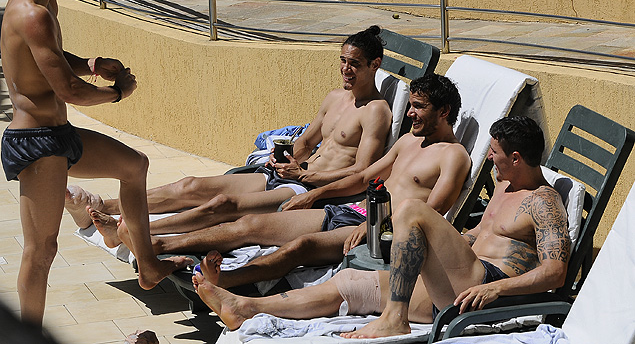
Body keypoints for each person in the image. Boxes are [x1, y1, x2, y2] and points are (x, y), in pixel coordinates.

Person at [190, 116, 571, 339]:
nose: (488, 158)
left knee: (410, 210)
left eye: (495, 153)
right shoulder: (505, 186)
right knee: (350, 283)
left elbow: (556, 271)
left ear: (516, 158)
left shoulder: (543, 202)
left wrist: (497, 288)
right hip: (458, 284)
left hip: (486, 289)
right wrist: (443, 245)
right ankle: (244, 307)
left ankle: (394, 319)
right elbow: (479, 235)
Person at [91, 74, 471, 293]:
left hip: (380, 230)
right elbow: (361, 177)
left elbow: (428, 212)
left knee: (299, 247)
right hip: (351, 210)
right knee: (248, 226)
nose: (412, 113)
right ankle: (156, 247)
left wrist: (373, 224)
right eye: (412, 105)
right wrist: (315, 193)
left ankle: (223, 282)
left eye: (420, 107)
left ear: (444, 112)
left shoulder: (455, 157)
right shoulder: (409, 142)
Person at [0, 0, 191, 326]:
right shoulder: (32, 13)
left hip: (57, 135)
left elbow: (50, 57)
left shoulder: (40, 3)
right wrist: (117, 92)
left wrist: (90, 64)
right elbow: (69, 90)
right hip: (36, 143)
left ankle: (148, 266)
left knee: (134, 165)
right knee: (41, 251)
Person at [66, 25, 393, 232]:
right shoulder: (335, 97)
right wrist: (282, 158)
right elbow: (306, 143)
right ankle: (102, 206)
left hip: (307, 190)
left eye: (354, 64)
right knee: (190, 186)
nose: (345, 69)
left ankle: (133, 231)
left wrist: (305, 176)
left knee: (221, 206)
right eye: (342, 60)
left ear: (375, 65)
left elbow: (362, 173)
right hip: (288, 174)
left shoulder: (376, 111)